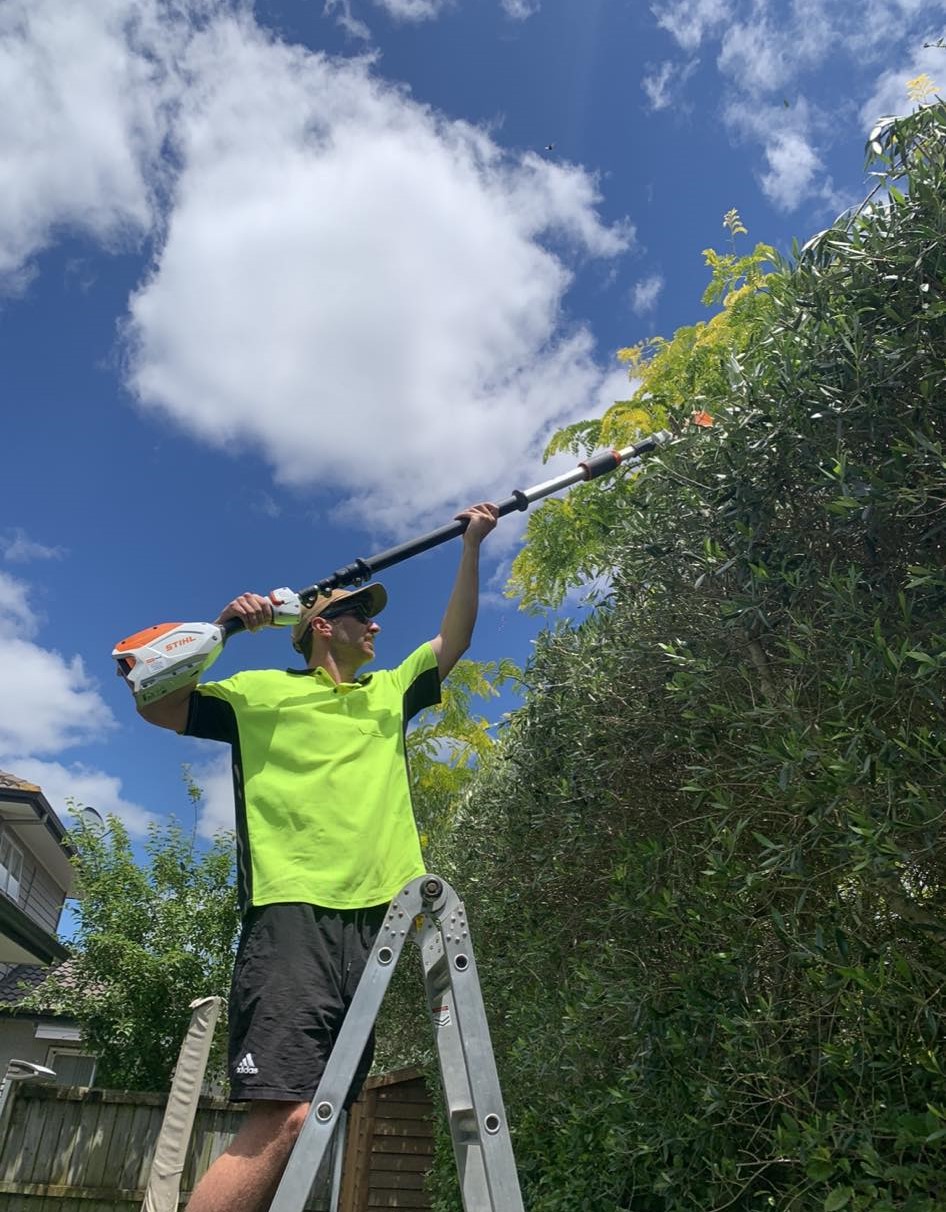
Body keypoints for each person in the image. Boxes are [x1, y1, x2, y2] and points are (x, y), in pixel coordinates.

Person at [131, 502, 498, 1212]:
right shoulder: (258, 694)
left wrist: (472, 546)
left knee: (322, 1114)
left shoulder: (388, 694)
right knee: (285, 1116)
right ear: (322, 627)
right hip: (292, 915)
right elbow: (154, 699)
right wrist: (231, 627)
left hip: (381, 924)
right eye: (362, 614)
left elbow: (452, 640)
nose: (377, 626)